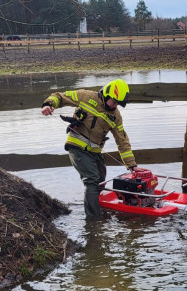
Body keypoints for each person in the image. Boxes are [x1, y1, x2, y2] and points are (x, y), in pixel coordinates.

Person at [41, 78, 137, 219]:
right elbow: (60, 96)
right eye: (114, 102)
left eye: (118, 104)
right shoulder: (86, 96)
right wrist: (49, 104)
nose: (115, 105)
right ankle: (94, 221)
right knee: (92, 179)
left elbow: (122, 140)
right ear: (106, 95)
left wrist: (132, 165)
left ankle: (94, 207)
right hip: (77, 147)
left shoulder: (116, 116)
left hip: (95, 152)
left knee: (101, 181)